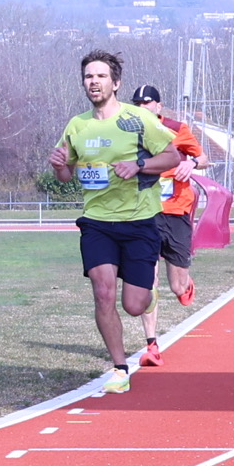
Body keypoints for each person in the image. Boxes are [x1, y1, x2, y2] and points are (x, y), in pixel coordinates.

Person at [47, 51, 183, 396]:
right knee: (103, 292)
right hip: (97, 222)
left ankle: (146, 294)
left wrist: (139, 166)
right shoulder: (77, 126)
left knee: (133, 305)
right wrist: (59, 165)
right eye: (88, 76)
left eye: (101, 76)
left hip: (139, 221)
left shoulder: (137, 119)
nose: (94, 82)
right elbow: (65, 176)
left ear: (116, 83)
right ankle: (120, 368)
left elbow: (173, 156)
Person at [131, 85, 202, 369]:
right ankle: (152, 345)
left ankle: (186, 283)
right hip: (144, 213)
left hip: (176, 211)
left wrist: (192, 163)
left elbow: (203, 158)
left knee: (176, 286)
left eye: (147, 103)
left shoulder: (177, 129)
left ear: (159, 106)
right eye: (137, 104)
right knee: (148, 280)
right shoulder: (127, 132)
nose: (142, 107)